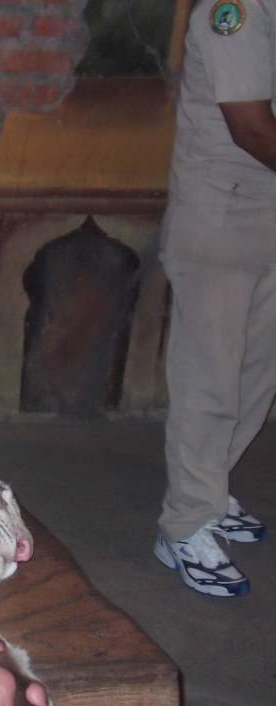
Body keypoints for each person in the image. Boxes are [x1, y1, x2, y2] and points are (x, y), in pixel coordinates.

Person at [153, 0, 272, 597]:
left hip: (268, 217)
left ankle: (211, 491)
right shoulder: (236, 10)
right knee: (211, 382)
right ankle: (184, 527)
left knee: (257, 371)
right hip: (222, 222)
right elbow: (251, 127)